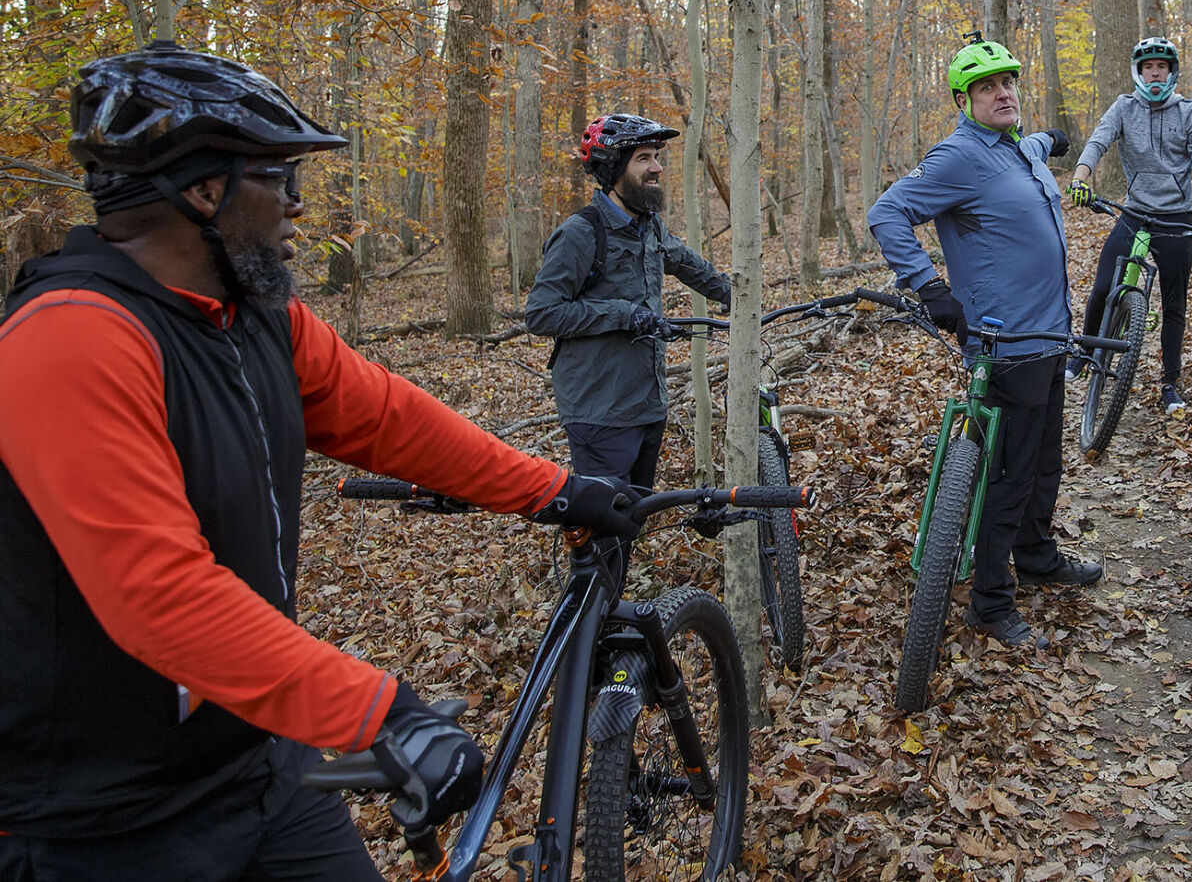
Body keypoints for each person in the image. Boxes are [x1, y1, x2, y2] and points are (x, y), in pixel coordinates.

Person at [0, 43, 641, 881]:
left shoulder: (251, 313)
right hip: (95, 823)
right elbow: (159, 597)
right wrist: (381, 714)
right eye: (279, 180)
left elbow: (390, 420)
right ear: (203, 191)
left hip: (256, 768)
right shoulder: (70, 338)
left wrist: (556, 490)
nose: (300, 209)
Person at [866, 33, 1099, 650]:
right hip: (1005, 344)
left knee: (1044, 463)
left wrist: (1057, 139)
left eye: (1009, 82)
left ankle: (1039, 557)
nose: (1003, 93)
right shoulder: (957, 157)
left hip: (1049, 334)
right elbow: (886, 213)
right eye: (987, 87)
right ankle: (991, 602)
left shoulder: (1017, 148)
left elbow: (1039, 142)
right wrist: (931, 289)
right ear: (962, 99)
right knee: (1010, 476)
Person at [525, 114, 731, 489]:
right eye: (644, 158)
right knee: (605, 524)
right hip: (599, 409)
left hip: (647, 404)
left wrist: (737, 295)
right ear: (614, 169)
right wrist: (624, 315)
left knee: (633, 516)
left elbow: (684, 262)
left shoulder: (648, 224)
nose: (657, 168)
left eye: (656, 156)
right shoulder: (581, 233)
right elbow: (541, 313)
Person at [1067, 36, 1192, 413]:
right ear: (1138, 72)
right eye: (1148, 67)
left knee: (1174, 303)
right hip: (1135, 213)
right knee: (1104, 286)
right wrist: (1079, 177)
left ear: (1171, 72)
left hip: (1176, 219)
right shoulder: (1124, 107)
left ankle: (1170, 382)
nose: (1155, 74)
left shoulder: (1189, 112)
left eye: (1162, 67)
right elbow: (1098, 141)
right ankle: (1086, 352)